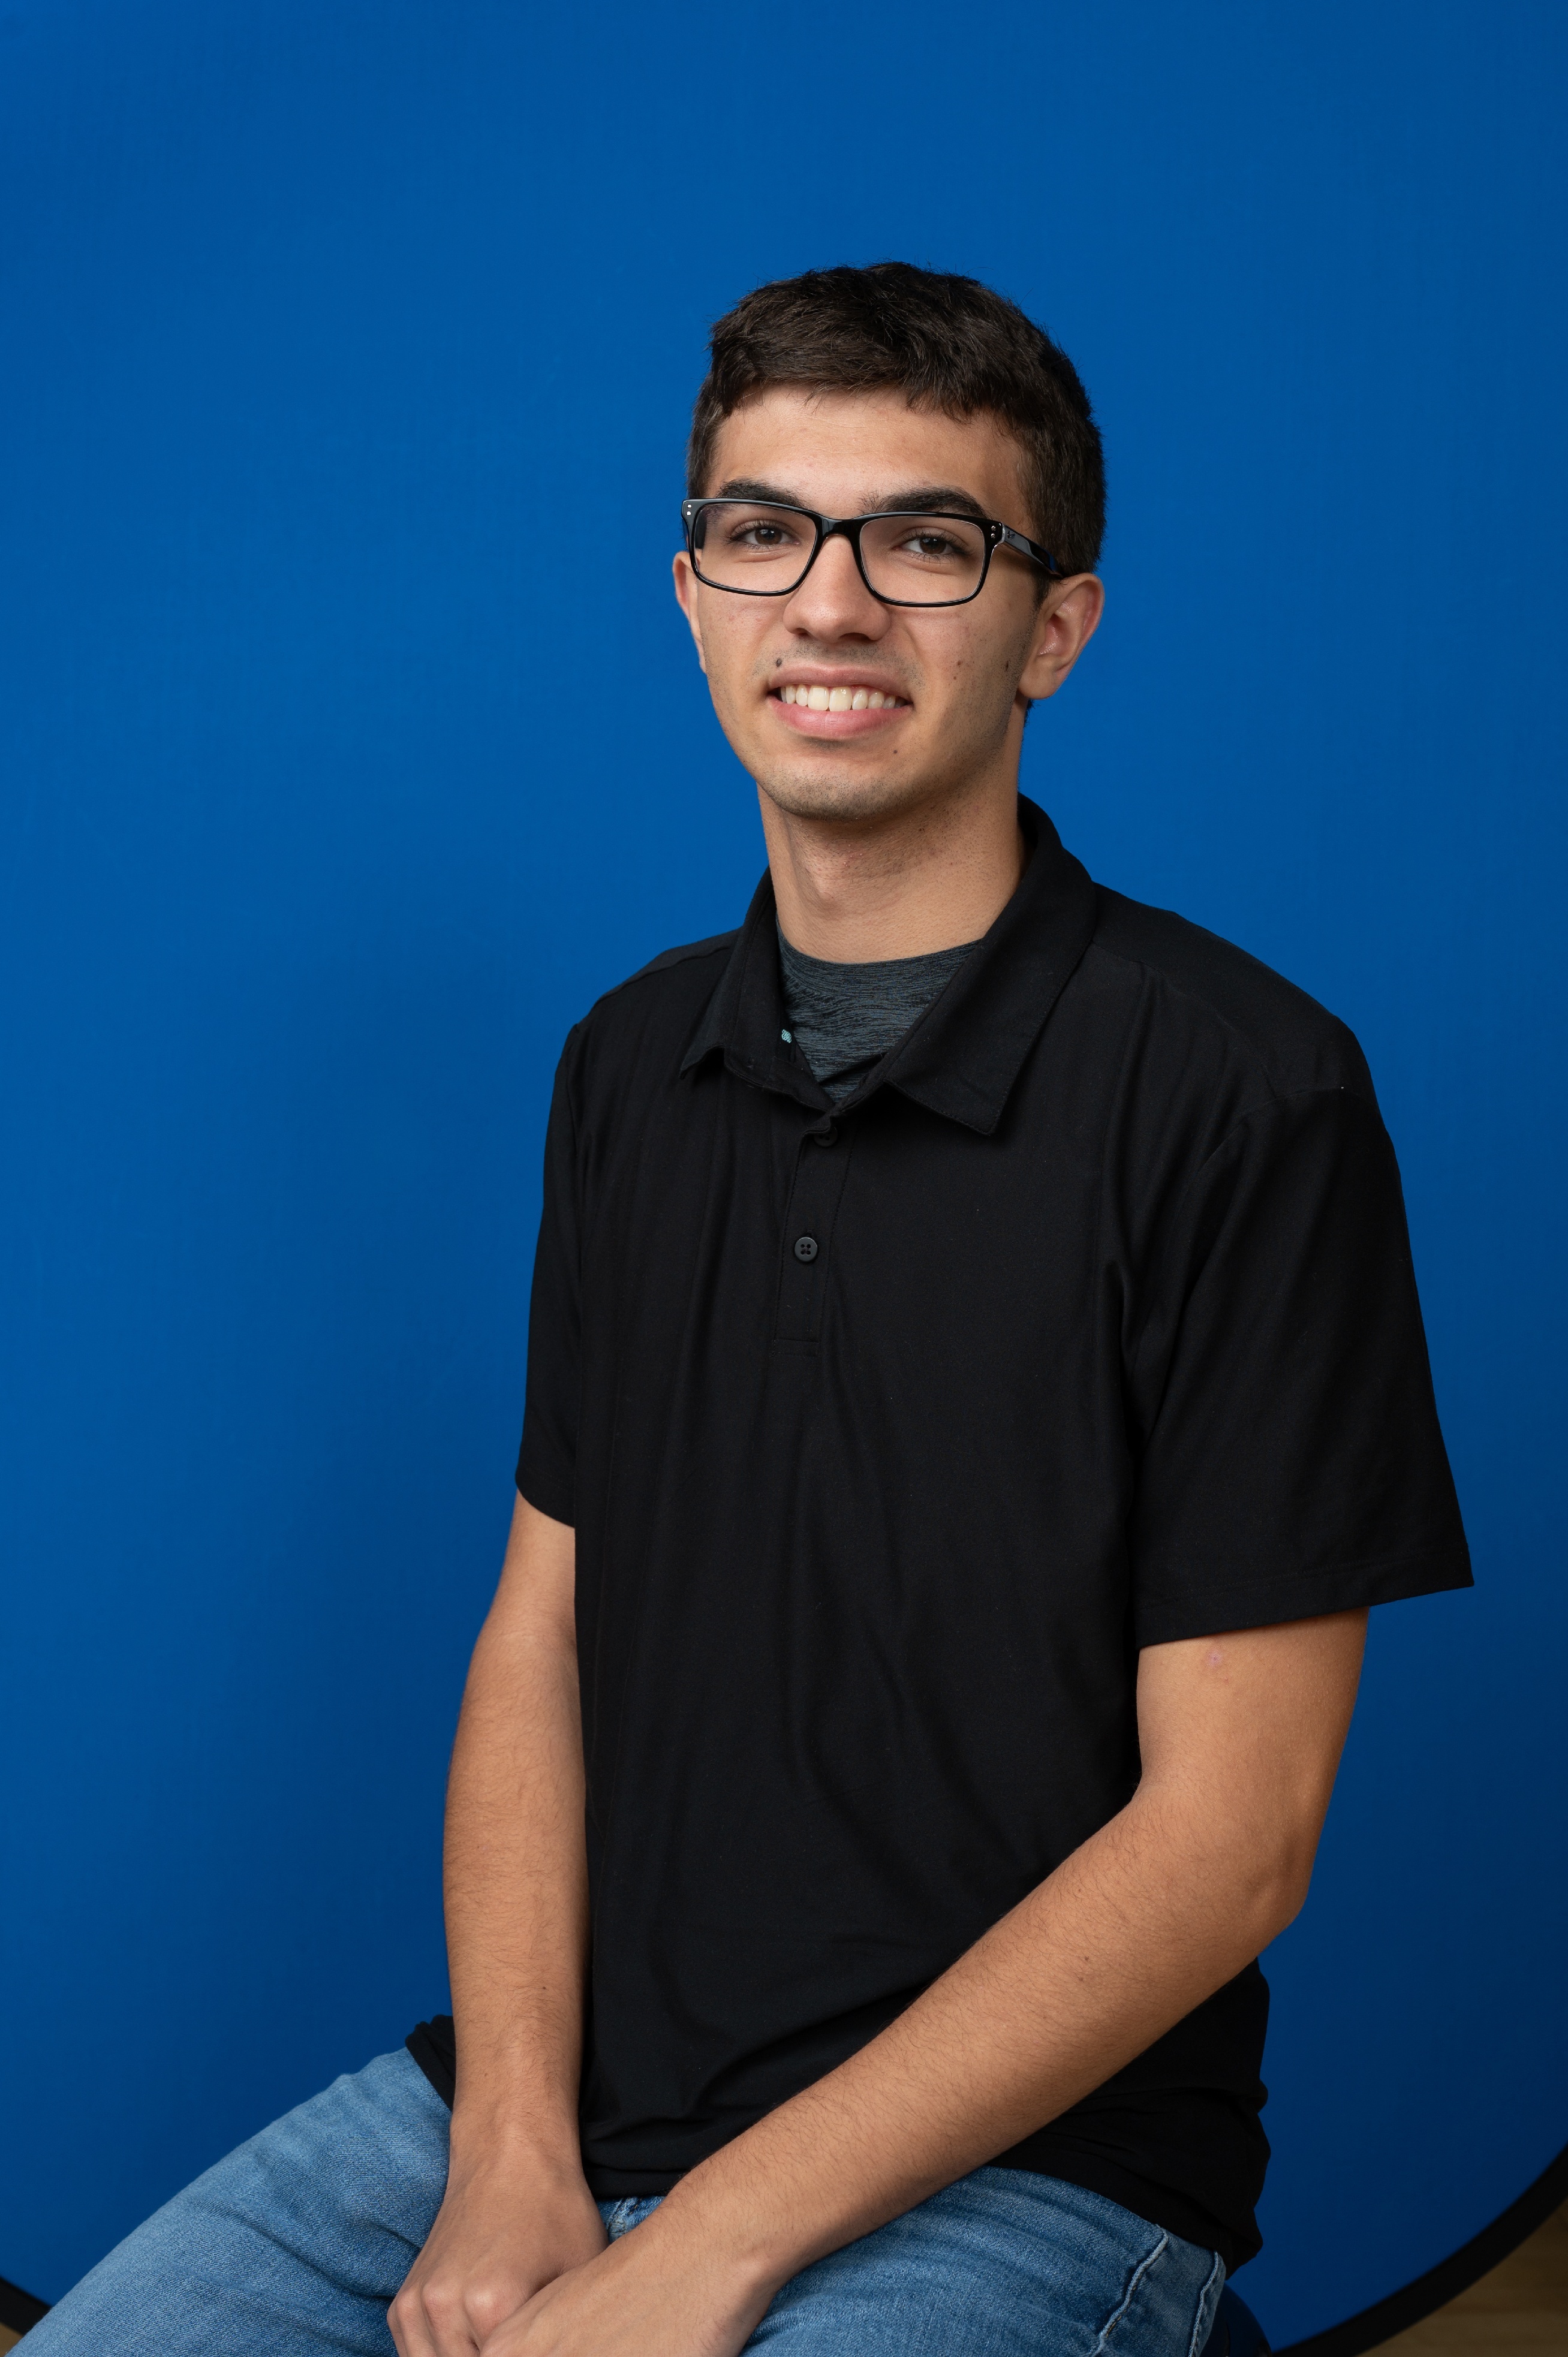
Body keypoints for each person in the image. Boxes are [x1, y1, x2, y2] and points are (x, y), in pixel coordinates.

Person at [28, 263, 1471, 2357]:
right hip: (547, 2096)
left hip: (1027, 2164)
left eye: (928, 541)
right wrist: (512, 2144)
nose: (833, 604)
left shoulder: (1248, 1090)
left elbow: (1234, 1836)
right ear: (694, 593)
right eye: (765, 530)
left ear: (1054, 626)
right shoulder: (629, 1065)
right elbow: (540, 1640)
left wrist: (704, 2246)